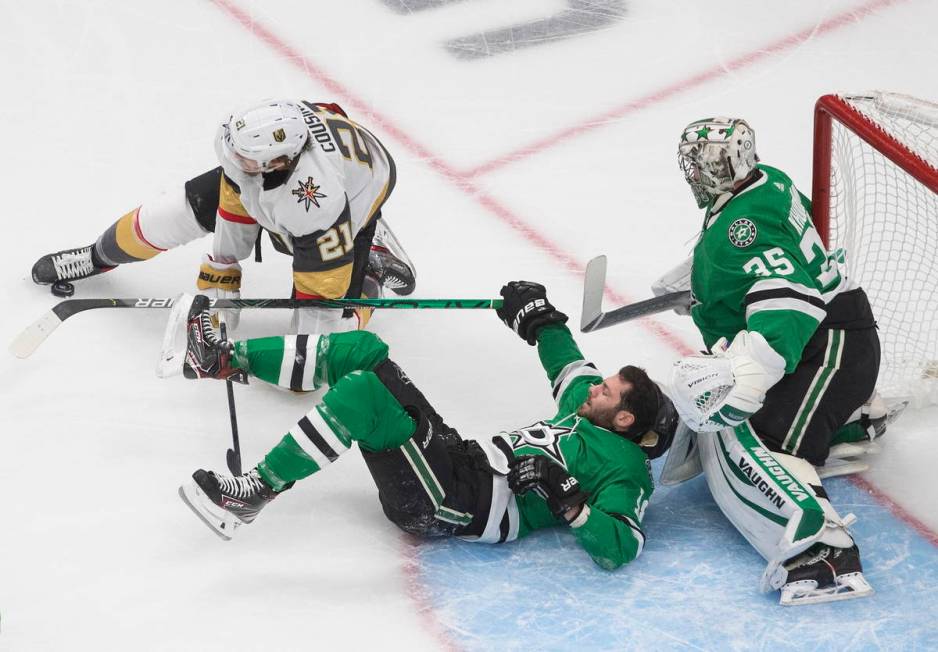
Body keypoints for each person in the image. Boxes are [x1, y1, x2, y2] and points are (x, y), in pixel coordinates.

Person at [175, 282, 679, 570]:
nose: (595, 388)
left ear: (626, 419)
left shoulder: (626, 469)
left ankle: (252, 492)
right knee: (364, 352)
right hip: (459, 462)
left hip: (458, 504)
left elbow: (621, 548)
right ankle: (219, 360)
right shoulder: (586, 406)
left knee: (361, 396)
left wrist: (569, 499)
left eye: (606, 392)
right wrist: (540, 318)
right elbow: (567, 359)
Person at [654, 117, 894, 605]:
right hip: (832, 334)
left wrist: (747, 376)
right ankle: (848, 419)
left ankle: (823, 552)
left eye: (704, 163)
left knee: (757, 440)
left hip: (826, 346)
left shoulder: (739, 231)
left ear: (726, 164)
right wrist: (704, 281)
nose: (695, 172)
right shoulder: (768, 182)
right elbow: (785, 250)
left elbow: (789, 300)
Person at [31, 99, 415, 333]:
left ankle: (370, 273)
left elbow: (316, 303)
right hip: (295, 182)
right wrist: (222, 287)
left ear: (277, 161)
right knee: (165, 217)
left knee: (319, 353)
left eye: (243, 156)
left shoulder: (318, 205)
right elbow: (235, 213)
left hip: (355, 196)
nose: (231, 157)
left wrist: (235, 354)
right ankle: (96, 256)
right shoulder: (242, 153)